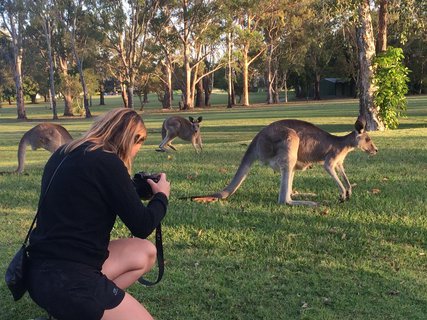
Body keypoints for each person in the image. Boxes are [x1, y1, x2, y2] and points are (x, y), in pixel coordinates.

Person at [26, 108, 170, 320]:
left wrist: (138, 190)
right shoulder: (108, 162)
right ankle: (80, 306)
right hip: (70, 282)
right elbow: (142, 225)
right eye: (140, 143)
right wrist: (162, 197)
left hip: (37, 274)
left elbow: (88, 191)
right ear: (132, 139)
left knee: (145, 252)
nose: (136, 151)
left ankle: (73, 312)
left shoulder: (64, 153)